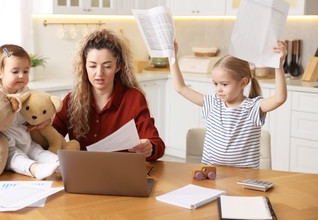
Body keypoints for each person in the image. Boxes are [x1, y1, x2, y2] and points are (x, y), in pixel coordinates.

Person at [169, 40, 287, 168]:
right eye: (215, 83)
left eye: (224, 84)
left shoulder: (253, 107)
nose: (218, 89)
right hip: (212, 173)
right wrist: (172, 57)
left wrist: (278, 65)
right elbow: (180, 88)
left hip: (244, 177)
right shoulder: (212, 103)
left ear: (243, 83)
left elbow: (279, 98)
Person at [52, 29, 165, 161]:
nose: (99, 73)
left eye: (107, 66)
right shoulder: (71, 100)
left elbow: (157, 145)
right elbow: (51, 138)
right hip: (83, 173)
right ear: (84, 66)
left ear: (118, 67)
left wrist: (149, 147)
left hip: (121, 173)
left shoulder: (133, 98)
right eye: (93, 66)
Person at [0, 44, 59, 179]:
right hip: (4, 141)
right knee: (14, 156)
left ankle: (59, 163)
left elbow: (41, 109)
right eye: (15, 72)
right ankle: (34, 169)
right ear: (0, 72)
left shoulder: (27, 93)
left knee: (36, 150)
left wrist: (46, 119)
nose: (21, 76)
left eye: (26, 71)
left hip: (25, 137)